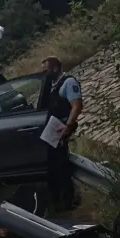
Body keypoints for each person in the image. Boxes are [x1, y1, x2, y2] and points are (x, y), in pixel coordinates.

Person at [42, 56, 83, 211]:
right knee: (53, 164)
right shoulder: (52, 84)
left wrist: (68, 125)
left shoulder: (68, 83)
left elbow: (76, 106)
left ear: (55, 68)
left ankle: (68, 200)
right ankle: (59, 198)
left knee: (61, 165)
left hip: (61, 128)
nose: (44, 73)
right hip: (53, 128)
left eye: (46, 70)